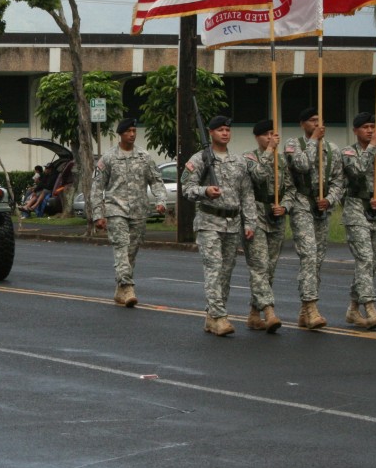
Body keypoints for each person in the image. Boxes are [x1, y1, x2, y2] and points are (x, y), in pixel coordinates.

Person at [181, 116, 258, 336]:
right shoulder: (199, 159)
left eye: (227, 130)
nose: (225, 133)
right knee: (213, 269)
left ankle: (212, 316)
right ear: (211, 133)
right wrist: (205, 191)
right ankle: (219, 316)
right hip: (209, 222)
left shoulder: (239, 161)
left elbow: (247, 194)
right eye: (220, 130)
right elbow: (186, 187)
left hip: (232, 223)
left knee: (226, 272)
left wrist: (250, 222)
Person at [90, 117, 168, 307]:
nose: (132, 134)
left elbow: (156, 180)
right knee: (121, 247)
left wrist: (161, 200)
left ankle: (120, 290)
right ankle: (127, 286)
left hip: (139, 211)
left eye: (134, 131)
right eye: (128, 131)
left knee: (131, 252)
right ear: (120, 134)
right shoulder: (108, 158)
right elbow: (96, 187)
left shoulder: (144, 157)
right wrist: (98, 214)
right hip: (116, 210)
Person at [284, 107, 345, 329]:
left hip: (322, 208)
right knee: (308, 255)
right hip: (301, 203)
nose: (318, 124)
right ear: (303, 124)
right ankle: (311, 307)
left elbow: (339, 180)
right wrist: (313, 141)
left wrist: (329, 199)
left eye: (320, 120)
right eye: (312, 120)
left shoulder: (333, 150)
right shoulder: (293, 144)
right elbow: (301, 165)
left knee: (317, 260)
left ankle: (304, 309)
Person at [341, 112, 376, 330]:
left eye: (372, 126)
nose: (369, 130)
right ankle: (370, 307)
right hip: (356, 209)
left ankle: (353, 308)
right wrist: (372, 147)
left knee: (371, 263)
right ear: (355, 130)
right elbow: (356, 172)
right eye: (365, 127)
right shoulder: (348, 152)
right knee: (364, 258)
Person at [241, 119, 287, 333]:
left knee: (269, 269)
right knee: (258, 266)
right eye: (266, 134)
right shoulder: (249, 158)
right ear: (257, 136)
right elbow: (258, 176)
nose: (271, 137)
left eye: (273, 134)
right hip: (255, 214)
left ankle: (253, 313)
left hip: (275, 215)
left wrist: (285, 205)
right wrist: (269, 151)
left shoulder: (282, 160)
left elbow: (292, 188)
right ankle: (269, 311)